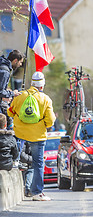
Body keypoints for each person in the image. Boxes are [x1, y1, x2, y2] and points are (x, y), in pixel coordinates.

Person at [7, 71, 56, 201]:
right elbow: (50, 120)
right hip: (38, 136)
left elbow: (10, 112)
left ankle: (15, 162)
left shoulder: (21, 96)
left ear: (31, 83)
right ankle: (37, 193)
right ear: (42, 85)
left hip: (20, 133)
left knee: (17, 158)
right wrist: (43, 124)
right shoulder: (46, 99)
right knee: (38, 164)